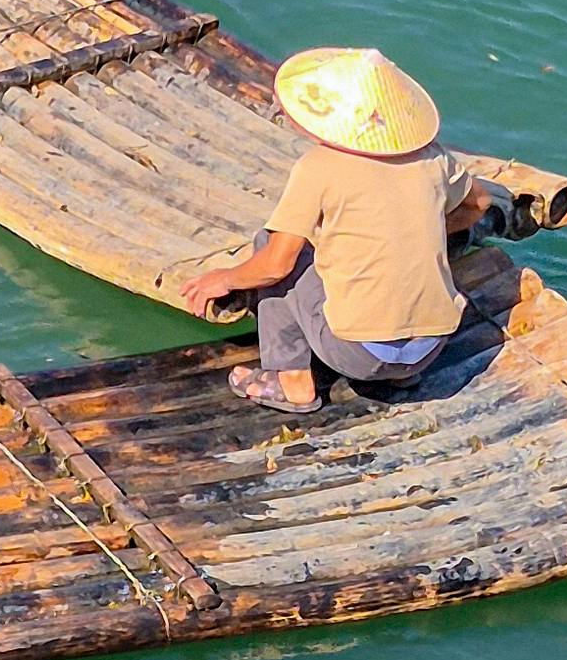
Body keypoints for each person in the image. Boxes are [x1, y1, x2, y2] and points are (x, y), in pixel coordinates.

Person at [184, 45, 499, 408]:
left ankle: (293, 381)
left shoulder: (319, 167)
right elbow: (479, 203)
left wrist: (222, 278)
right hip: (429, 350)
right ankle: (403, 377)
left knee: (271, 244)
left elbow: (276, 266)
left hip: (357, 356)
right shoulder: (433, 158)